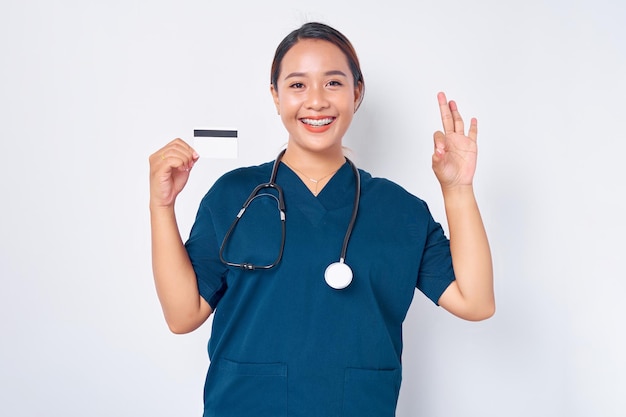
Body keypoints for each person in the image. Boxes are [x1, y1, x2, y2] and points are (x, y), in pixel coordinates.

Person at [149, 21, 494, 417]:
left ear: (356, 92)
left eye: (333, 83)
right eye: (297, 85)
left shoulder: (400, 210)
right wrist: (161, 207)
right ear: (275, 96)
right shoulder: (232, 195)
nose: (316, 101)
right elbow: (182, 315)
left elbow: (476, 301)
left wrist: (458, 190)